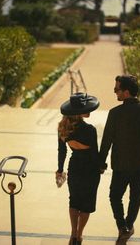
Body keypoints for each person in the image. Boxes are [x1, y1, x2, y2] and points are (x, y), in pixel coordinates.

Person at [99, 75, 140, 243]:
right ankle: (128, 225)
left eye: (116, 90)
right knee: (136, 197)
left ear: (126, 92)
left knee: (114, 196)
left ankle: (123, 226)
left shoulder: (115, 113)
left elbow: (106, 141)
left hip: (121, 165)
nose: (115, 93)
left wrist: (101, 163)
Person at [56, 92, 101, 245]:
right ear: (78, 112)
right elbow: (95, 154)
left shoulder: (63, 128)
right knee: (86, 204)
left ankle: (73, 234)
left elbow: (62, 151)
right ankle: (80, 235)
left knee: (74, 202)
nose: (89, 110)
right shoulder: (89, 130)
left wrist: (60, 169)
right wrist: (101, 167)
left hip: (74, 167)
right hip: (90, 170)